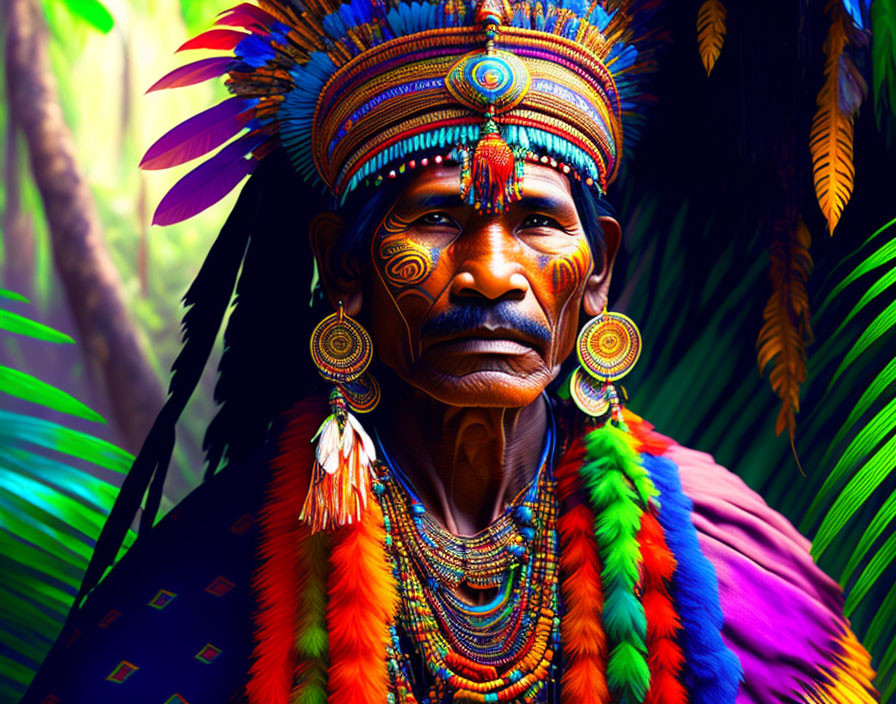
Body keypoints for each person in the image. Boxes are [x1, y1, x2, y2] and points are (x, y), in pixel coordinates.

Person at [22, 0, 879, 702]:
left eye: (540, 221)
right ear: (342, 266)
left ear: (600, 269)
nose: (490, 274)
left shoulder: (727, 562)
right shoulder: (206, 580)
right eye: (435, 219)